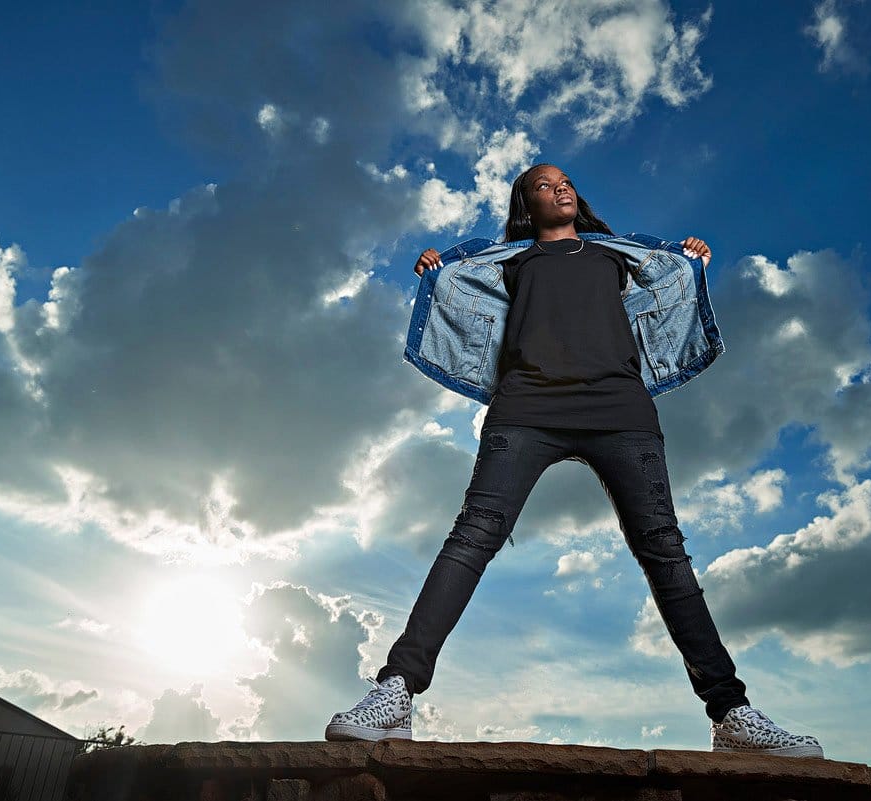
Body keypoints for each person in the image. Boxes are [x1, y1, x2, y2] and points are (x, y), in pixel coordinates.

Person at [324, 163, 823, 758]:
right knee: (472, 536)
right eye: (543, 184)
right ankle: (396, 691)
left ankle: (732, 714)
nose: (559, 187)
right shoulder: (510, 261)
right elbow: (461, 294)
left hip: (620, 409)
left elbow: (666, 288)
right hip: (526, 407)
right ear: (526, 204)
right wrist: (438, 270)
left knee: (664, 550)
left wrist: (689, 261)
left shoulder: (616, 255)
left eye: (565, 181)